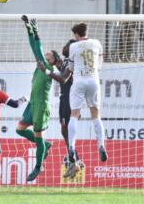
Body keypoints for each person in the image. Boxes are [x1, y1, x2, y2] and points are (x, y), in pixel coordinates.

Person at [43, 23, 108, 178]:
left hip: (78, 84)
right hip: (93, 80)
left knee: (73, 117)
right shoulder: (96, 44)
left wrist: (45, 70)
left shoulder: (74, 48)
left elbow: (65, 76)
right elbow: (99, 64)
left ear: (76, 35)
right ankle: (101, 145)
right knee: (96, 116)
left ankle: (72, 149)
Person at [16, 15, 58, 181]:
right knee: (19, 129)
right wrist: (29, 29)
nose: (46, 54)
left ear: (53, 60)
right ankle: (45, 145)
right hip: (33, 104)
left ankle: (38, 167)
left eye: (49, 55)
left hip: (41, 106)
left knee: (38, 136)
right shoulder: (40, 64)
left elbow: (38, 48)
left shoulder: (49, 67)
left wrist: (35, 30)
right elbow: (35, 48)